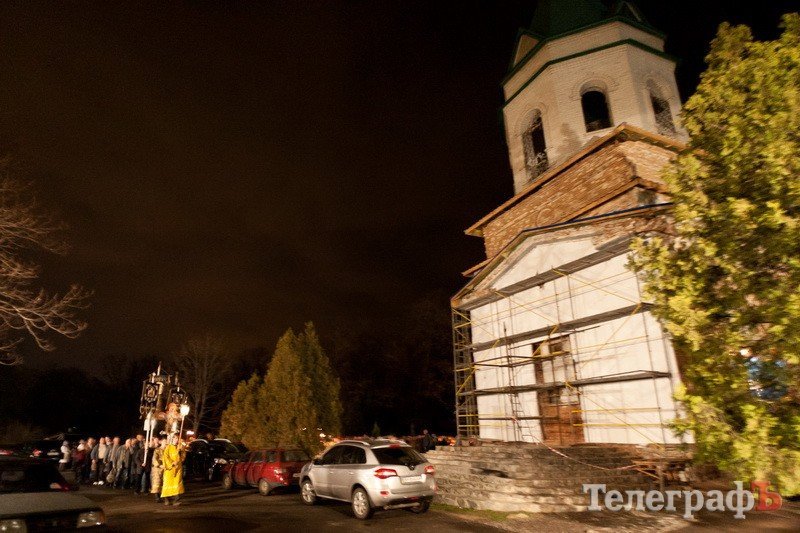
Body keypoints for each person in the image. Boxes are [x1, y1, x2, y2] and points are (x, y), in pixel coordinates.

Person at [161, 435, 185, 506]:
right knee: (167, 484)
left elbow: (183, 457)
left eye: (178, 438)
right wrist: (172, 463)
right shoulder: (168, 447)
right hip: (170, 469)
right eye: (175, 438)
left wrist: (181, 452)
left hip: (178, 469)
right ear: (172, 439)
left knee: (177, 484)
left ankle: (176, 500)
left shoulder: (179, 447)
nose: (177, 440)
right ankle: (167, 499)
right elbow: (165, 457)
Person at [150, 438, 165, 502]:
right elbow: (154, 459)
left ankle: (162, 495)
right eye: (164, 442)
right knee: (157, 482)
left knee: (163, 482)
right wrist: (158, 465)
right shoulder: (157, 450)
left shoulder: (167, 449)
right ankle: (157, 496)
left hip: (165, 468)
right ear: (161, 442)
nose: (165, 443)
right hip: (157, 468)